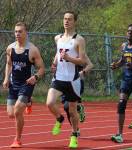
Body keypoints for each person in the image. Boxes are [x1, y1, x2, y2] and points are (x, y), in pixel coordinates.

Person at [46, 11, 86, 148]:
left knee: (72, 111)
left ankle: (74, 135)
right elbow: (58, 54)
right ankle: (59, 118)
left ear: (75, 21)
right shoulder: (58, 38)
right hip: (58, 78)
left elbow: (82, 61)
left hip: (72, 80)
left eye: (69, 19)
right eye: (64, 19)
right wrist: (54, 63)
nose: (66, 21)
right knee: (50, 103)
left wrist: (69, 58)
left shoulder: (79, 39)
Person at [3, 22, 45, 148]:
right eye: (16, 31)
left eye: (20, 31)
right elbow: (9, 64)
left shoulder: (32, 50)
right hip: (13, 84)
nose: (17, 34)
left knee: (17, 111)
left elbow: (42, 68)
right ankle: (28, 101)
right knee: (10, 114)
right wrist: (6, 78)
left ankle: (17, 139)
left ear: (26, 33)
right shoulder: (10, 48)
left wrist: (35, 77)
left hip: (27, 84)